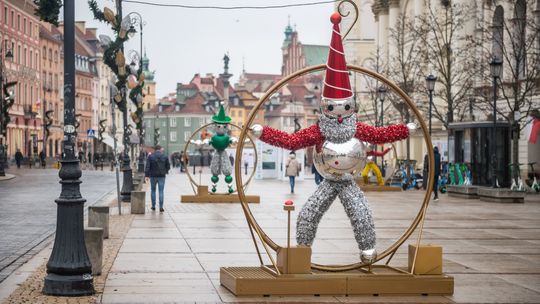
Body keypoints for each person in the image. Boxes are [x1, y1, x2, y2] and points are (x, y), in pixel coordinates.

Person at [145, 145, 170, 212]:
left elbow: (147, 167)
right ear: (160, 149)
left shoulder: (150, 156)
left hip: (153, 176)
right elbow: (168, 166)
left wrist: (146, 175)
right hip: (162, 176)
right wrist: (166, 171)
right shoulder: (164, 156)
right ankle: (161, 207)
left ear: (154, 149)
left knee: (153, 190)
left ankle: (153, 206)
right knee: (161, 191)